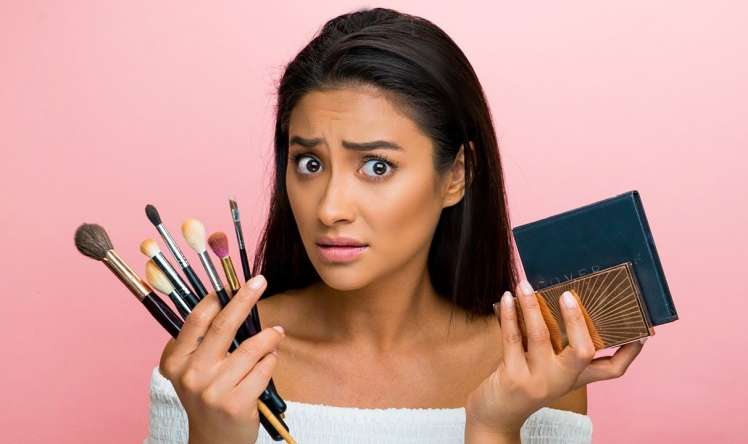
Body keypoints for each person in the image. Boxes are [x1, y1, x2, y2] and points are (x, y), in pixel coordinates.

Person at [146, 7, 644, 443]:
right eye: (310, 163)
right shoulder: (214, 364)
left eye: (377, 166)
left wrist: (495, 428)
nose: (329, 209)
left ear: (457, 175)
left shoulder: (534, 369)